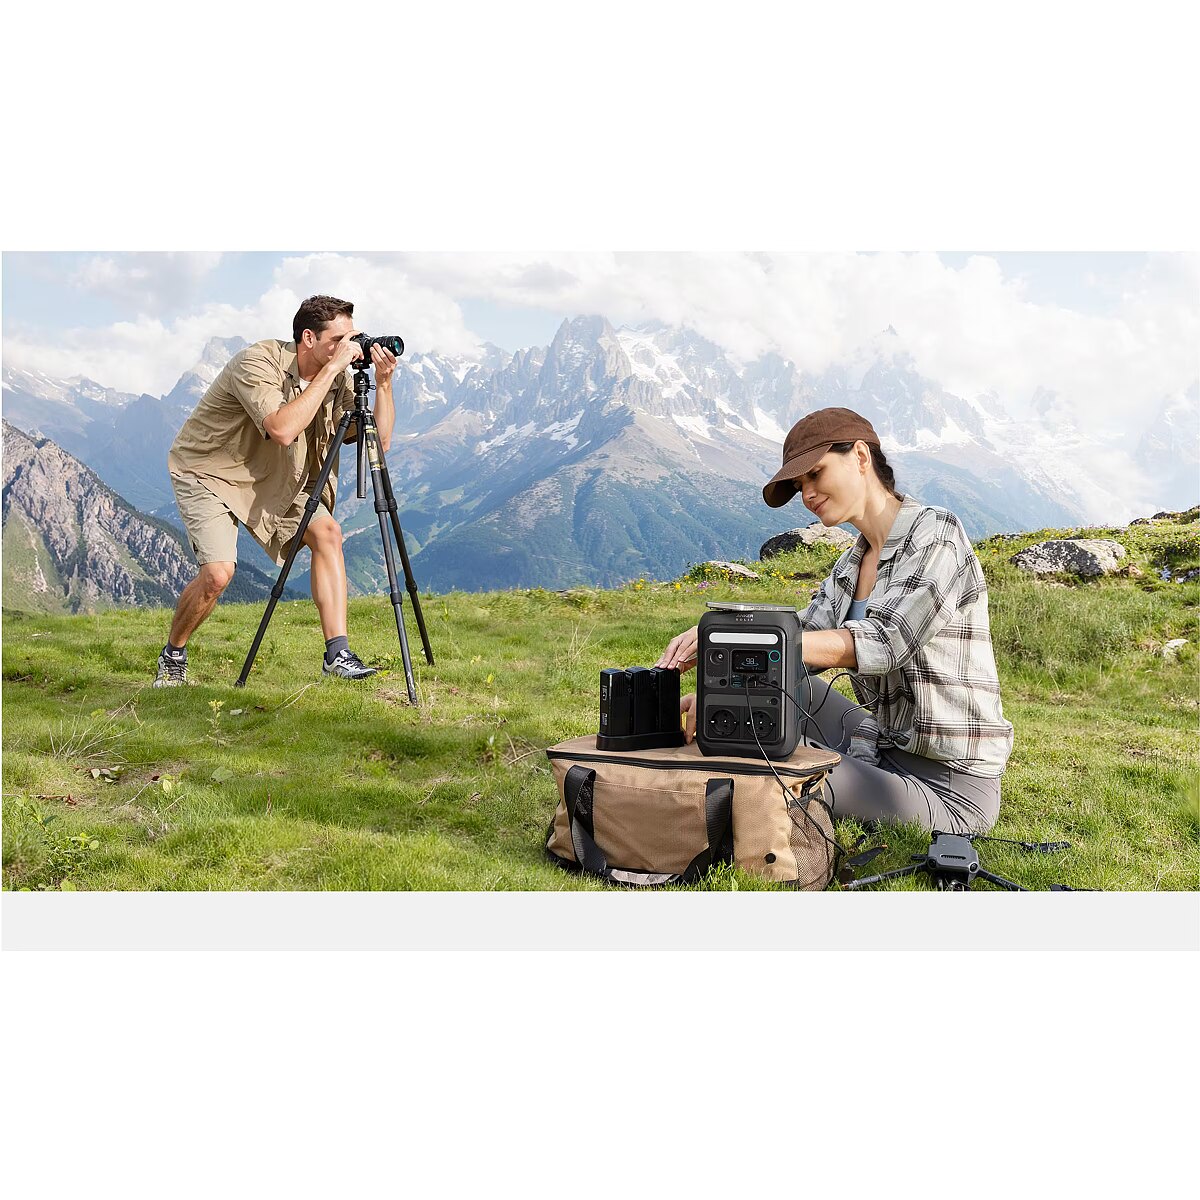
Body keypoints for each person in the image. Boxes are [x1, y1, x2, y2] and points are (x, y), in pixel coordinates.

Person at [655, 406, 1014, 835]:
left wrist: (737, 640)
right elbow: (803, 639)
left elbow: (887, 640)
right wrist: (723, 695)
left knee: (766, 764)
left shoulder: (936, 534)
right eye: (799, 485)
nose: (807, 494)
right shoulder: (852, 562)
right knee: (781, 688)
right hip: (881, 745)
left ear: (860, 456)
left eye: (815, 474)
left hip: (949, 785)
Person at [154, 295, 397, 686]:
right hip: (211, 473)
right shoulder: (256, 363)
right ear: (308, 338)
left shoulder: (337, 376)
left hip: (280, 476)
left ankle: (337, 655)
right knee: (217, 575)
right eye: (339, 340)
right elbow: (282, 430)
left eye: (352, 338)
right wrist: (332, 369)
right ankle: (174, 654)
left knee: (328, 533)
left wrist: (383, 385)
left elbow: (378, 443)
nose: (349, 348)